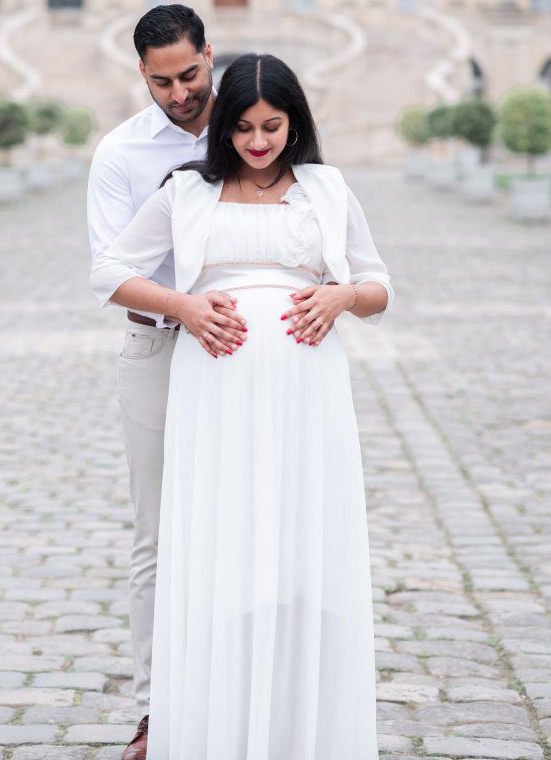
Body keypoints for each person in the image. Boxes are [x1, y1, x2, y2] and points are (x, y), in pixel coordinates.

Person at [91, 52, 393, 760]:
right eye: (245, 128)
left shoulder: (327, 189)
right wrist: (182, 305)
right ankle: (213, 722)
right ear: (224, 126)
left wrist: (343, 296)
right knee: (218, 542)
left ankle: (298, 724)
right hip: (214, 395)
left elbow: (379, 287)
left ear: (296, 124)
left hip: (306, 394)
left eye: (273, 127)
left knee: (299, 543)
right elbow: (108, 270)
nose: (258, 142)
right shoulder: (185, 191)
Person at [86, 4, 245, 760]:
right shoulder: (120, 153)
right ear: (141, 75)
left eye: (189, 75)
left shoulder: (251, 129)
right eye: (161, 82)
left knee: (244, 526)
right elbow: (109, 272)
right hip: (156, 350)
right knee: (156, 538)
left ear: (208, 54)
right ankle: (155, 715)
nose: (180, 94)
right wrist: (181, 305)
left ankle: (241, 699)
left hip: (243, 354)